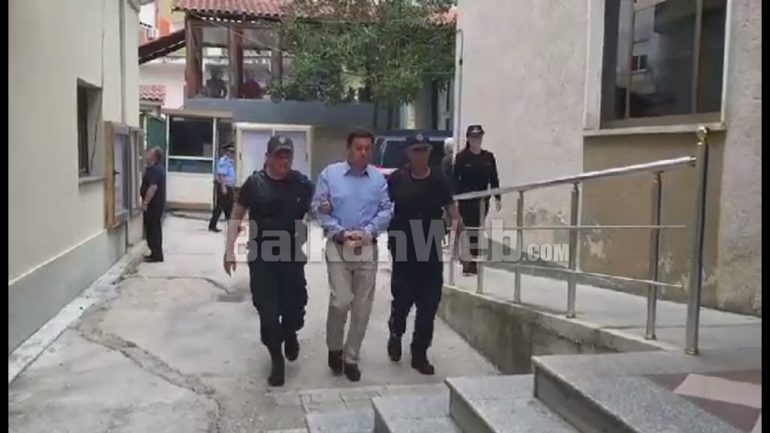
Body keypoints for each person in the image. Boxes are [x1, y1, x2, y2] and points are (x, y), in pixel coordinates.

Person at [223, 135, 314, 387]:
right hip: (262, 258)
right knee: (268, 312)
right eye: (279, 155)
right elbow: (236, 216)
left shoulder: (302, 184)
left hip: (292, 256)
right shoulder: (254, 184)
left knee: (296, 308)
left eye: (288, 155)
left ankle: (291, 332)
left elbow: (317, 208)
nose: (284, 160)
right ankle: (276, 358)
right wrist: (229, 250)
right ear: (268, 157)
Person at [312, 129, 392, 382]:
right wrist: (339, 231)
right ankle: (334, 347)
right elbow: (318, 208)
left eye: (368, 148)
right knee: (341, 301)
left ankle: (351, 357)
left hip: (366, 246)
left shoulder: (378, 179)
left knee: (362, 307)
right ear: (348, 149)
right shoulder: (330, 175)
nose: (363, 152)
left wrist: (368, 232)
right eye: (358, 148)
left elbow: (386, 210)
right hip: (338, 246)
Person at [386, 133, 462, 375]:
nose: (421, 155)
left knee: (429, 304)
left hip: (430, 247)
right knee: (402, 299)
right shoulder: (397, 178)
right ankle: (396, 331)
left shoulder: (439, 179)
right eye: (416, 150)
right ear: (408, 153)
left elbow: (451, 209)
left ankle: (419, 353)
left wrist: (460, 233)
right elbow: (382, 207)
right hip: (403, 247)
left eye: (425, 150)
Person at [453, 125, 501, 275]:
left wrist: (497, 197)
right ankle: (467, 262)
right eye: (473, 137)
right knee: (467, 230)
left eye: (479, 137)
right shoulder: (462, 157)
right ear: (468, 138)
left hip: (482, 200)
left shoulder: (488, 157)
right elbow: (455, 179)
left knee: (477, 229)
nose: (476, 140)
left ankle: (472, 260)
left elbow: (494, 178)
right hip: (466, 199)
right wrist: (454, 198)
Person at [140, 147, 166, 263]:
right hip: (156, 205)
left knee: (152, 229)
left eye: (149, 153)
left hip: (153, 205)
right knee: (153, 228)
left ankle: (156, 254)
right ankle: (155, 252)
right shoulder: (156, 169)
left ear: (154, 156)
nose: (147, 155)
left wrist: (145, 203)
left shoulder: (154, 170)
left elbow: (153, 187)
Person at [209, 144, 236, 232]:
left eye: (233, 152)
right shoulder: (224, 161)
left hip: (229, 186)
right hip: (224, 186)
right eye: (230, 151)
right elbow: (221, 175)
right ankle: (212, 225)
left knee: (229, 207)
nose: (232, 153)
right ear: (226, 152)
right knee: (220, 207)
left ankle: (231, 226)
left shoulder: (230, 161)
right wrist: (223, 187)